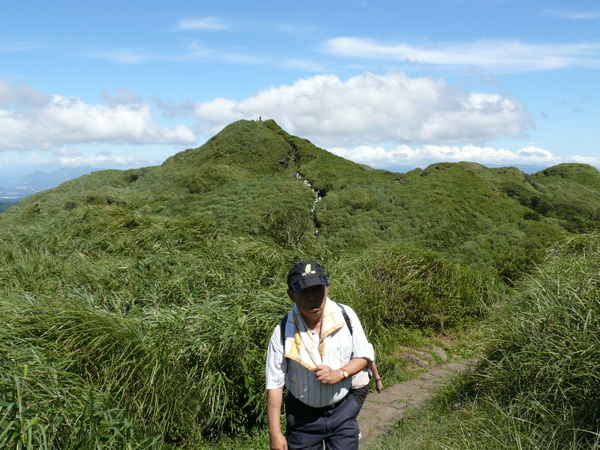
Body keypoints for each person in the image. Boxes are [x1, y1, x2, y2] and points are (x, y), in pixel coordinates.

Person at [266, 260, 373, 450]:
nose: (313, 296)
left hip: (342, 412)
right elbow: (275, 384)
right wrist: (275, 433)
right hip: (302, 420)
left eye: (317, 289)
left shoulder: (345, 315)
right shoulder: (283, 331)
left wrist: (340, 373)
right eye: (304, 291)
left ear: (327, 289)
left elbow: (363, 356)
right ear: (291, 295)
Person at [351, 345, 383, 409]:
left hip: (360, 386)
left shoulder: (364, 346)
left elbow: (371, 364)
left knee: (352, 411)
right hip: (344, 387)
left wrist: (378, 380)